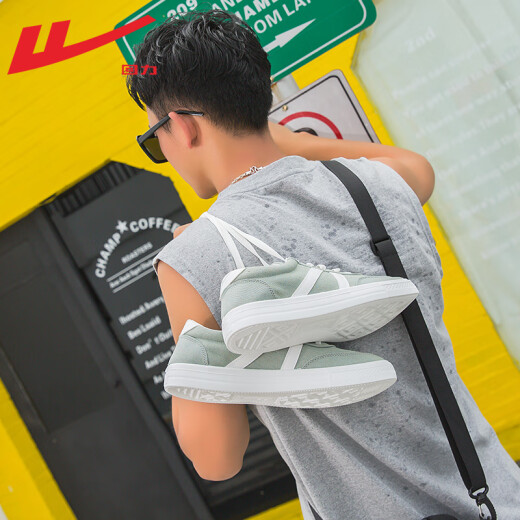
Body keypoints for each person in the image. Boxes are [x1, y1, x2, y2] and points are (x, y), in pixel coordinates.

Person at [126, 8, 520, 519]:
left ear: (181, 127)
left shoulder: (193, 257)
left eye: (154, 141)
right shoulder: (379, 186)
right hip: (496, 495)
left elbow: (216, 459)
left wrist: (188, 281)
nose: (163, 152)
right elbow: (417, 169)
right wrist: (275, 135)